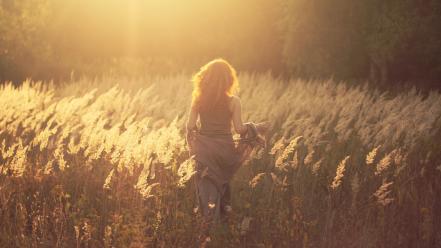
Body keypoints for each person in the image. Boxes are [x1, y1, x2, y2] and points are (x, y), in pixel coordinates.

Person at [185, 58, 269, 244]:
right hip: (225, 152)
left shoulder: (198, 100)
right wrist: (255, 127)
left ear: (205, 78)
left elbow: (190, 125)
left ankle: (207, 232)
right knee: (222, 185)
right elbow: (239, 129)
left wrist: (202, 139)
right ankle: (219, 231)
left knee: (207, 189)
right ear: (228, 80)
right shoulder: (234, 101)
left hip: (205, 152)